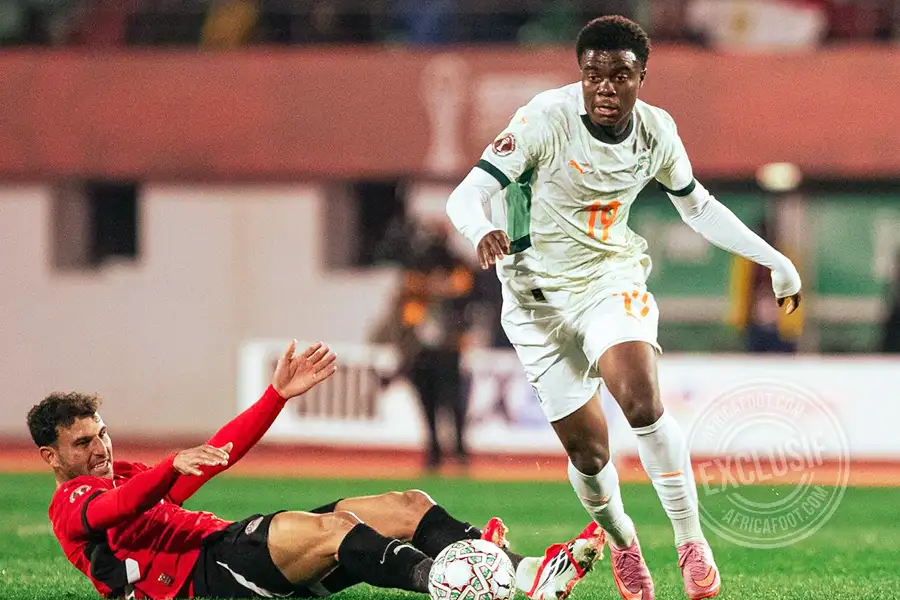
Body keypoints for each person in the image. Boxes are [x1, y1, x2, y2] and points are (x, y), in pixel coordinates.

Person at [445, 16, 802, 600]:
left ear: (641, 77)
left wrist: (775, 260)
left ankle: (690, 541)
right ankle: (622, 541)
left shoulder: (657, 131)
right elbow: (468, 194)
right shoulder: (543, 119)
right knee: (589, 454)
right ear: (581, 76)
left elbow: (698, 207)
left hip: (609, 280)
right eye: (594, 75)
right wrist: (480, 228)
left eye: (619, 75)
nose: (605, 87)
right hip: (535, 303)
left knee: (640, 400)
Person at [29, 340, 605, 599]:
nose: (101, 448)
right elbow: (114, 509)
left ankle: (528, 575)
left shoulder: (127, 473)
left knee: (406, 505)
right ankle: (453, 583)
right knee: (335, 530)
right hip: (201, 581)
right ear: (52, 457)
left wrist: (275, 397)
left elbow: (219, 453)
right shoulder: (70, 504)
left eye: (101, 433)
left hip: (227, 551)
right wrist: (166, 469)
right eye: (83, 443)